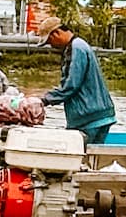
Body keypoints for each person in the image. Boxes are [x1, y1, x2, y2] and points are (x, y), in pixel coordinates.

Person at [36, 14, 117, 147]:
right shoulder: (80, 45)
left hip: (89, 118)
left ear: (56, 33)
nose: (51, 46)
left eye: (50, 42)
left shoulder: (76, 48)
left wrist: (45, 100)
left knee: (79, 157)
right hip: (100, 115)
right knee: (90, 160)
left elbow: (71, 85)